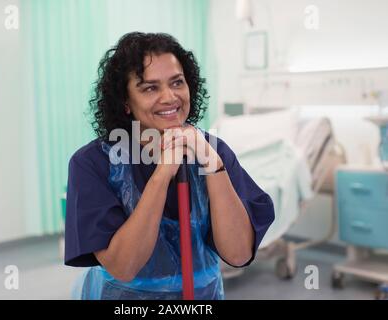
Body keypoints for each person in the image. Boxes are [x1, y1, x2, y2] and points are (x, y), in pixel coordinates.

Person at [64, 32, 275, 300]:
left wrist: (214, 166)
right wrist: (163, 173)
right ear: (126, 102)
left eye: (177, 82)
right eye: (150, 88)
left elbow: (238, 254)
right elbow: (124, 267)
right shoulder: (93, 163)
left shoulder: (214, 152)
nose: (169, 97)